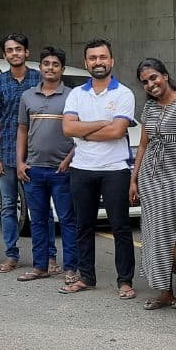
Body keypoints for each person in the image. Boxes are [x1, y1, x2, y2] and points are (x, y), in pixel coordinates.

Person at [58, 38, 137, 299]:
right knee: (84, 225)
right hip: (82, 168)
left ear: (111, 61)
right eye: (93, 58)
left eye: (102, 57)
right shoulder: (77, 94)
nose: (98, 62)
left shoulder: (124, 93)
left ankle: (125, 281)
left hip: (115, 169)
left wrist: (85, 130)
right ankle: (87, 277)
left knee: (121, 227)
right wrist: (101, 124)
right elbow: (68, 128)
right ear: (86, 63)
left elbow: (117, 131)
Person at [131, 58, 176, 310]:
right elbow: (144, 145)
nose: (150, 84)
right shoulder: (148, 108)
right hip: (150, 176)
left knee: (170, 234)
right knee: (151, 235)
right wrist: (134, 179)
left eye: (154, 77)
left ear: (165, 75)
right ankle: (165, 291)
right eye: (145, 82)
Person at [14, 46, 78, 283]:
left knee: (67, 220)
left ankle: (71, 268)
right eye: (46, 64)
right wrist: (20, 162)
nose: (50, 68)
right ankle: (40, 266)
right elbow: (22, 129)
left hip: (62, 170)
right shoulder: (28, 96)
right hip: (34, 170)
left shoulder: (73, 96)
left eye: (55, 64)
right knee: (38, 220)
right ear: (39, 67)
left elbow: (79, 135)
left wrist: (69, 159)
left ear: (62, 69)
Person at [0, 33, 41, 273]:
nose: (14, 53)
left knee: (39, 207)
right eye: (10, 50)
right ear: (5, 55)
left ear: (27, 52)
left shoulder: (39, 79)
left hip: (37, 155)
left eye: (18, 49)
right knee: (8, 206)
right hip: (8, 153)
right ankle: (11, 255)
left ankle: (47, 257)